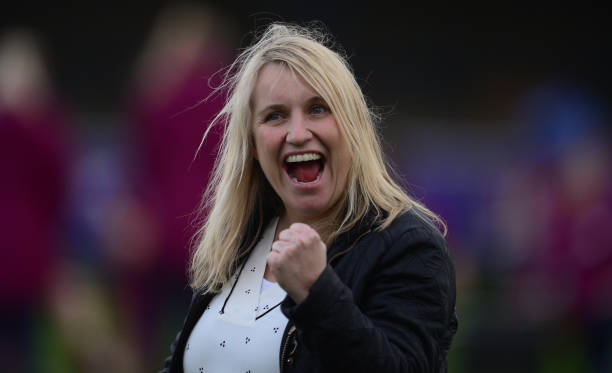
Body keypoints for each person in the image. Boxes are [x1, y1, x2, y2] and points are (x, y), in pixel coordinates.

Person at [159, 23, 457, 373]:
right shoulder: (240, 240)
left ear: (352, 126)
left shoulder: (408, 247)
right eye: (275, 116)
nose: (298, 134)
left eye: (318, 109)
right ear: (253, 145)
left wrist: (318, 293)